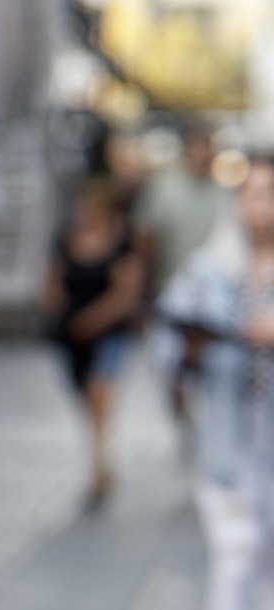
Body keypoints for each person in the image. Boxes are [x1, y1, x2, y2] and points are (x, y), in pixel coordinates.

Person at [158, 155, 274, 610]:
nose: (263, 207)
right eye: (255, 195)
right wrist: (192, 347)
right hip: (226, 439)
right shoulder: (209, 270)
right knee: (234, 557)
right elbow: (168, 349)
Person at [40, 176, 147, 508]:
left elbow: (127, 292)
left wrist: (94, 319)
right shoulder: (66, 238)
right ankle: (99, 453)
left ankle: (97, 467)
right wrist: (60, 312)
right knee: (85, 397)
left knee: (100, 391)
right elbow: (51, 283)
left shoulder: (121, 240)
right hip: (72, 335)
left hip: (109, 331)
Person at [133, 123, 229, 448]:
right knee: (168, 371)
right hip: (168, 295)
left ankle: (208, 430)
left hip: (211, 301)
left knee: (208, 369)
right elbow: (146, 240)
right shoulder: (164, 190)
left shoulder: (224, 195)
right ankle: (186, 422)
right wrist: (142, 294)